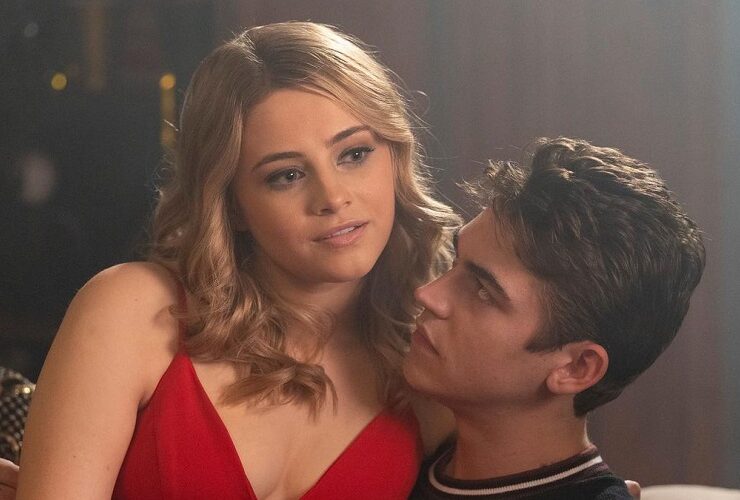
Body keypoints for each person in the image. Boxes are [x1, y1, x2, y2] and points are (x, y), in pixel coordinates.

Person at [15, 22, 459, 499]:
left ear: (395, 156)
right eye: (286, 175)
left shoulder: (431, 376)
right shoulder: (132, 312)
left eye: (353, 154)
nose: (333, 198)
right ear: (232, 205)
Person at [405, 137, 705, 499]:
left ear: (577, 367)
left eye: (484, 291)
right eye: (455, 263)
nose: (428, 294)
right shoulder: (407, 458)